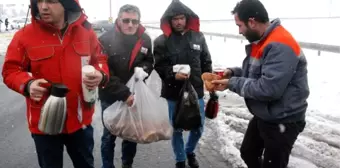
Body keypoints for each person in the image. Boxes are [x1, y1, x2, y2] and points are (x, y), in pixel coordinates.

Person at [2, 0, 109, 168]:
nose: (43, 7)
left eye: (51, 1)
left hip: (80, 119)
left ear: (67, 4)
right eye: (39, 1)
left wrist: (101, 74)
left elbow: (100, 60)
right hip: (44, 122)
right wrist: (27, 84)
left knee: (85, 164)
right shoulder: (24, 36)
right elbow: (10, 71)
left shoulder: (86, 33)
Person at [211, 0, 309, 168]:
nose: (239, 31)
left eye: (240, 25)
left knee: (273, 165)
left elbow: (268, 88)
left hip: (283, 119)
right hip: (266, 113)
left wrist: (231, 83)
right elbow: (256, 74)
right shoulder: (264, 40)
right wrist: (233, 72)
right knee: (248, 152)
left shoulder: (280, 45)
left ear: (252, 22)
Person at [153, 0, 212, 167]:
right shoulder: (161, 41)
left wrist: (209, 80)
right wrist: (172, 74)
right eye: (175, 19)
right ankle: (180, 159)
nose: (178, 22)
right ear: (169, 21)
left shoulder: (198, 37)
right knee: (176, 128)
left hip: (196, 90)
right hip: (173, 91)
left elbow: (206, 62)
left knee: (198, 127)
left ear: (187, 18)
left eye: (181, 18)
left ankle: (189, 151)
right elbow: (159, 66)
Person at [98, 4, 154, 168]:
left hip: (134, 96)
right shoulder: (105, 40)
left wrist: (144, 70)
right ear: (118, 20)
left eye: (134, 21)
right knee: (109, 135)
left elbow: (149, 61)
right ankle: (107, 166)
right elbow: (105, 73)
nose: (130, 25)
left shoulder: (144, 39)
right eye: (126, 20)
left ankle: (126, 164)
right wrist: (124, 94)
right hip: (111, 96)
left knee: (131, 134)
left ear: (139, 22)